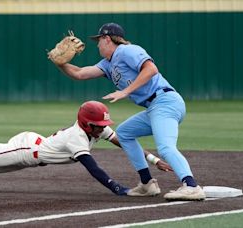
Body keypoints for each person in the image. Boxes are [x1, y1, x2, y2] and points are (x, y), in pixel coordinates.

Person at [52, 23, 205, 201]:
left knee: (165, 147)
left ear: (107, 38)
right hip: (154, 107)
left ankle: (191, 186)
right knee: (124, 133)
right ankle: (147, 184)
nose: (97, 44)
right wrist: (59, 62)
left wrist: (126, 91)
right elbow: (79, 73)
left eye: (99, 40)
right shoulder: (107, 64)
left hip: (165, 102)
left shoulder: (127, 50)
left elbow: (151, 69)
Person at [0, 101, 171, 196]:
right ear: (87, 124)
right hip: (24, 149)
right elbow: (93, 168)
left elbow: (124, 142)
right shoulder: (77, 137)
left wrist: (152, 159)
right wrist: (117, 188)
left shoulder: (96, 130)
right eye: (99, 124)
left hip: (32, 154)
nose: (103, 127)